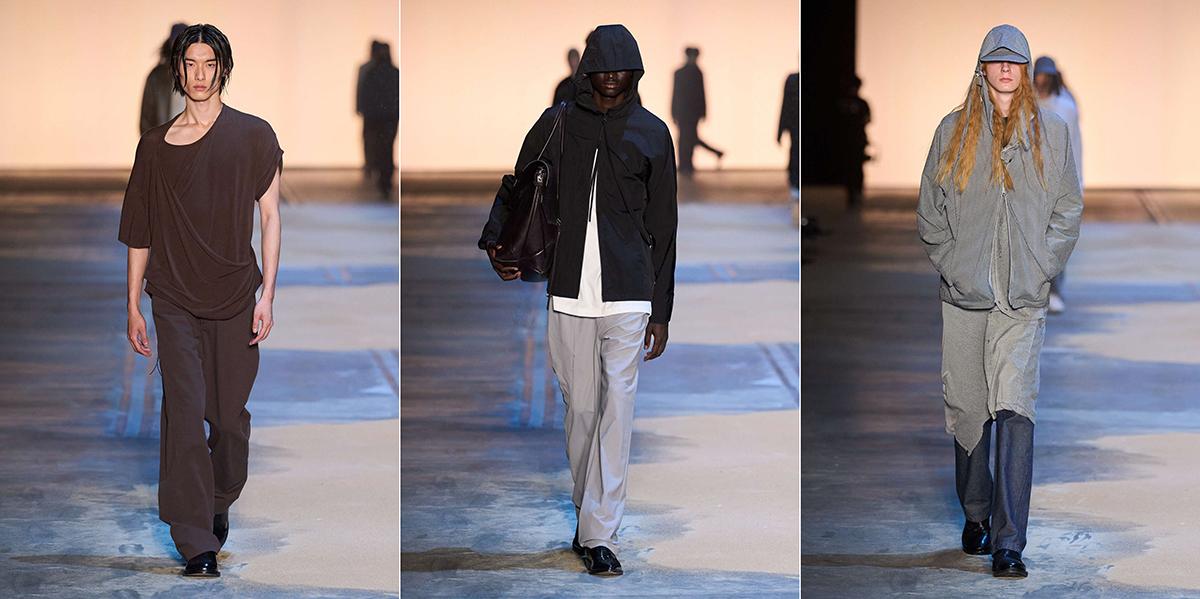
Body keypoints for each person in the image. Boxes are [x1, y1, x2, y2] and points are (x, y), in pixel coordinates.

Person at [478, 24, 677, 577]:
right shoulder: (558, 121)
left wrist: (661, 309)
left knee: (618, 412)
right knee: (582, 412)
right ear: (587, 69)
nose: (611, 75)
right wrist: (494, 239)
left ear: (635, 71)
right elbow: (519, 184)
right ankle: (589, 513)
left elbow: (665, 226)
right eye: (602, 65)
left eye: (621, 66)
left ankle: (599, 534)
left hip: (630, 294)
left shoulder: (653, 133)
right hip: (568, 291)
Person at [916, 24, 1082, 580]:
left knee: (1015, 410)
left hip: (1022, 301)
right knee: (969, 412)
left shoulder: (1051, 134)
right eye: (997, 59)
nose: (1006, 68)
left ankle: (1010, 543)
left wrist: (1041, 266)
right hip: (965, 299)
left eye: (1015, 60)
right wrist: (955, 266)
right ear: (982, 67)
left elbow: (1068, 208)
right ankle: (976, 512)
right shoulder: (953, 131)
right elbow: (930, 209)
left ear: (1026, 70)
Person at [119, 23, 283, 578]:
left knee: (229, 422)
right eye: (190, 63)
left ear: (223, 69)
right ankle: (196, 542)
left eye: (209, 63)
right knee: (185, 416)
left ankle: (217, 498)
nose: (199, 74)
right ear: (178, 70)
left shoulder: (253, 135)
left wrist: (267, 293)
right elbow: (139, 231)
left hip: (235, 295)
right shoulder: (154, 148)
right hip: (173, 298)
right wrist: (133, 304)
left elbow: (270, 216)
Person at [1034, 56, 1082, 314]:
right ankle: (1037, 289)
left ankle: (1054, 291)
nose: (1042, 79)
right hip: (1031, 181)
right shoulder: (1024, 105)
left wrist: (1079, 183)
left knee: (1058, 236)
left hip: (1060, 181)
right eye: (1039, 74)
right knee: (1034, 237)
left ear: (1053, 77)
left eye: (1046, 75)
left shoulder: (1066, 107)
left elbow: (1076, 146)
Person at [356, 41, 399, 198]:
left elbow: (363, 92)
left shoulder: (374, 72)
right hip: (383, 117)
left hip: (382, 117)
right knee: (384, 148)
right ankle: (384, 180)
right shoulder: (390, 72)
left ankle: (383, 179)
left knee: (383, 148)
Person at [671, 47, 722, 175]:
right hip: (686, 113)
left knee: (687, 139)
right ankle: (687, 164)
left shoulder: (691, 73)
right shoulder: (687, 73)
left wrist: (703, 112)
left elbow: (701, 94)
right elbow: (676, 94)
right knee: (689, 138)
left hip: (690, 113)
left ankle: (686, 164)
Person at [140, 23, 188, 134]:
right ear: (170, 44)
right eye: (175, 42)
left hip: (197, 141)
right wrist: (152, 142)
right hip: (164, 140)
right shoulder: (157, 76)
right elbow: (146, 118)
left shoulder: (201, 75)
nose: (179, 47)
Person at [778, 70, 798, 224]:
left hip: (794, 126)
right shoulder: (793, 80)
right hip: (794, 127)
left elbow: (785, 104)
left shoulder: (793, 80)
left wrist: (780, 130)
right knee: (795, 158)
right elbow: (786, 104)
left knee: (795, 157)